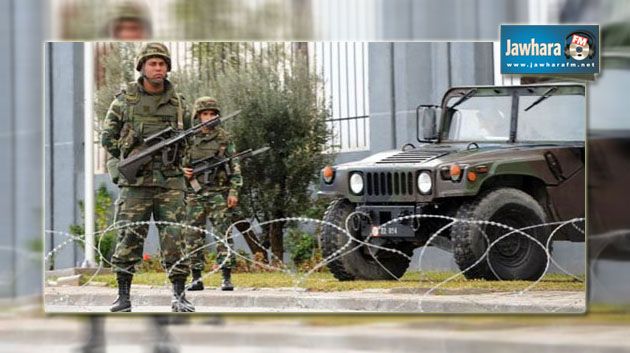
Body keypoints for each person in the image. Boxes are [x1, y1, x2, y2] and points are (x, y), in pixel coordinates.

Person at [100, 42, 194, 312]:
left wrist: (176, 152)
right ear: (141, 66)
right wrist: (131, 153)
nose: (158, 68)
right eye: (152, 63)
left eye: (162, 64)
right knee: (129, 237)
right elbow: (107, 137)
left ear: (168, 68)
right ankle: (123, 296)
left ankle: (179, 295)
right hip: (136, 183)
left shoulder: (178, 105)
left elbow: (189, 139)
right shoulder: (124, 101)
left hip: (170, 182)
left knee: (175, 237)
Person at [182, 97, 242, 291]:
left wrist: (233, 191)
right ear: (198, 116)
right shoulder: (189, 139)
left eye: (212, 113)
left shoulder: (225, 138)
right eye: (205, 114)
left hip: (219, 193)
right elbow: (178, 163)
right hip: (195, 193)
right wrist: (183, 171)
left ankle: (226, 277)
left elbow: (235, 166)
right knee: (193, 235)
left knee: (223, 234)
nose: (208, 117)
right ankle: (196, 277)